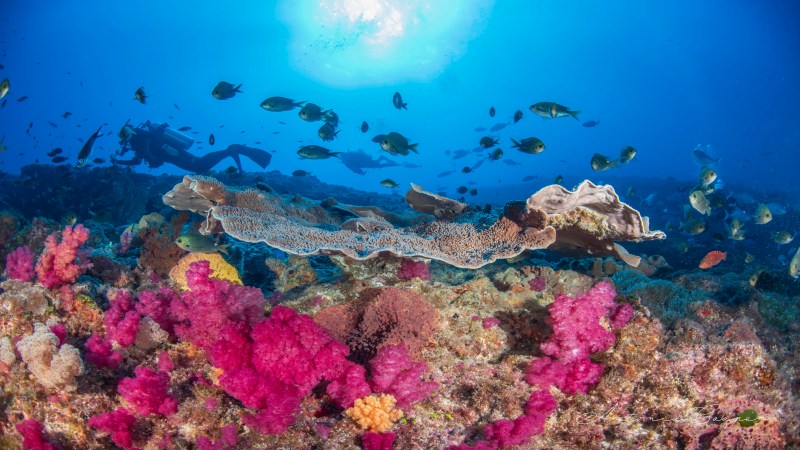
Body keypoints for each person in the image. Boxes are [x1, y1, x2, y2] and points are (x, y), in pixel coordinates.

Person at [111, 120, 271, 173]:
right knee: (199, 166)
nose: (123, 139)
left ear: (128, 131)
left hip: (173, 153)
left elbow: (146, 147)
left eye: (123, 135)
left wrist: (154, 156)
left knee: (200, 166)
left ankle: (232, 149)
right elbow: (138, 160)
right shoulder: (136, 140)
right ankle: (231, 151)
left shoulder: (139, 137)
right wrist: (118, 162)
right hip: (171, 155)